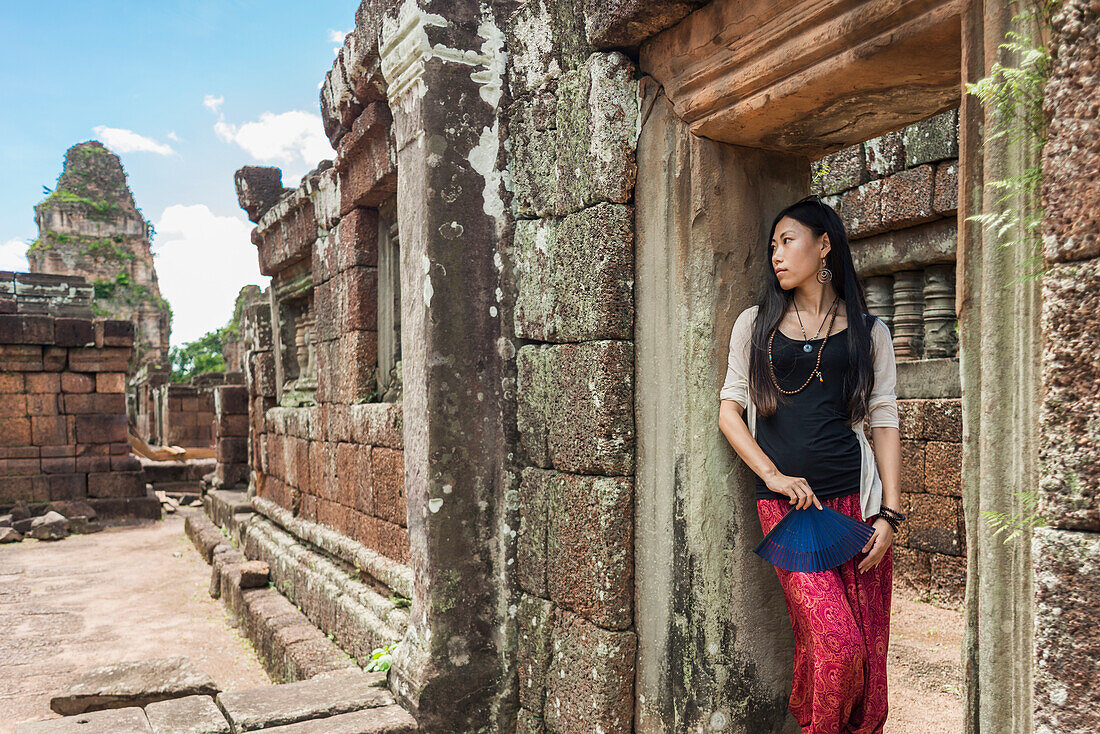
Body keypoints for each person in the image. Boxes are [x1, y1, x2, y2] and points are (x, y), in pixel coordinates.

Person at [717, 194, 907, 734]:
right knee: (837, 644)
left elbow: (884, 419)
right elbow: (730, 411)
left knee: (865, 654)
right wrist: (772, 475)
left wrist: (890, 514)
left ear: (824, 245)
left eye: (787, 240)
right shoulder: (754, 325)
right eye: (772, 245)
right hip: (792, 510)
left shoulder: (870, 332)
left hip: (858, 505)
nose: (776, 254)